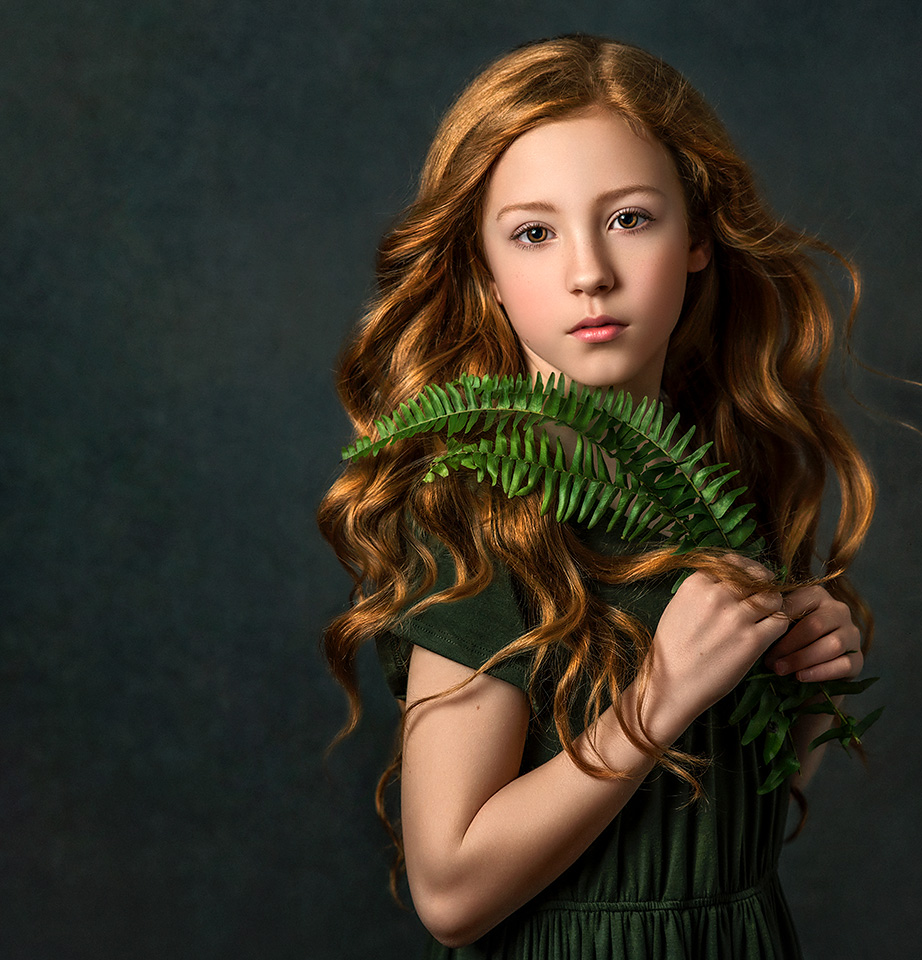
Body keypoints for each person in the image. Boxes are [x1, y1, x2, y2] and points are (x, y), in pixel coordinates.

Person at [319, 34, 876, 959]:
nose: (589, 272)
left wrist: (804, 688)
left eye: (628, 218)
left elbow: (720, 825)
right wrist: (659, 696)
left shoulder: (720, 475)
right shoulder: (482, 505)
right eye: (534, 233)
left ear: (697, 238)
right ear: (485, 271)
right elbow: (450, 892)